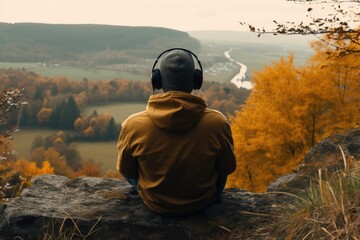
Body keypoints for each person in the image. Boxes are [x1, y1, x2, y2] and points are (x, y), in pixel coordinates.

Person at [116, 48, 236, 216]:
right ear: (196, 80)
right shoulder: (218, 123)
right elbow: (228, 167)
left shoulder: (132, 124)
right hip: (201, 202)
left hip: (154, 203)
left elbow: (127, 171)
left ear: (156, 80)